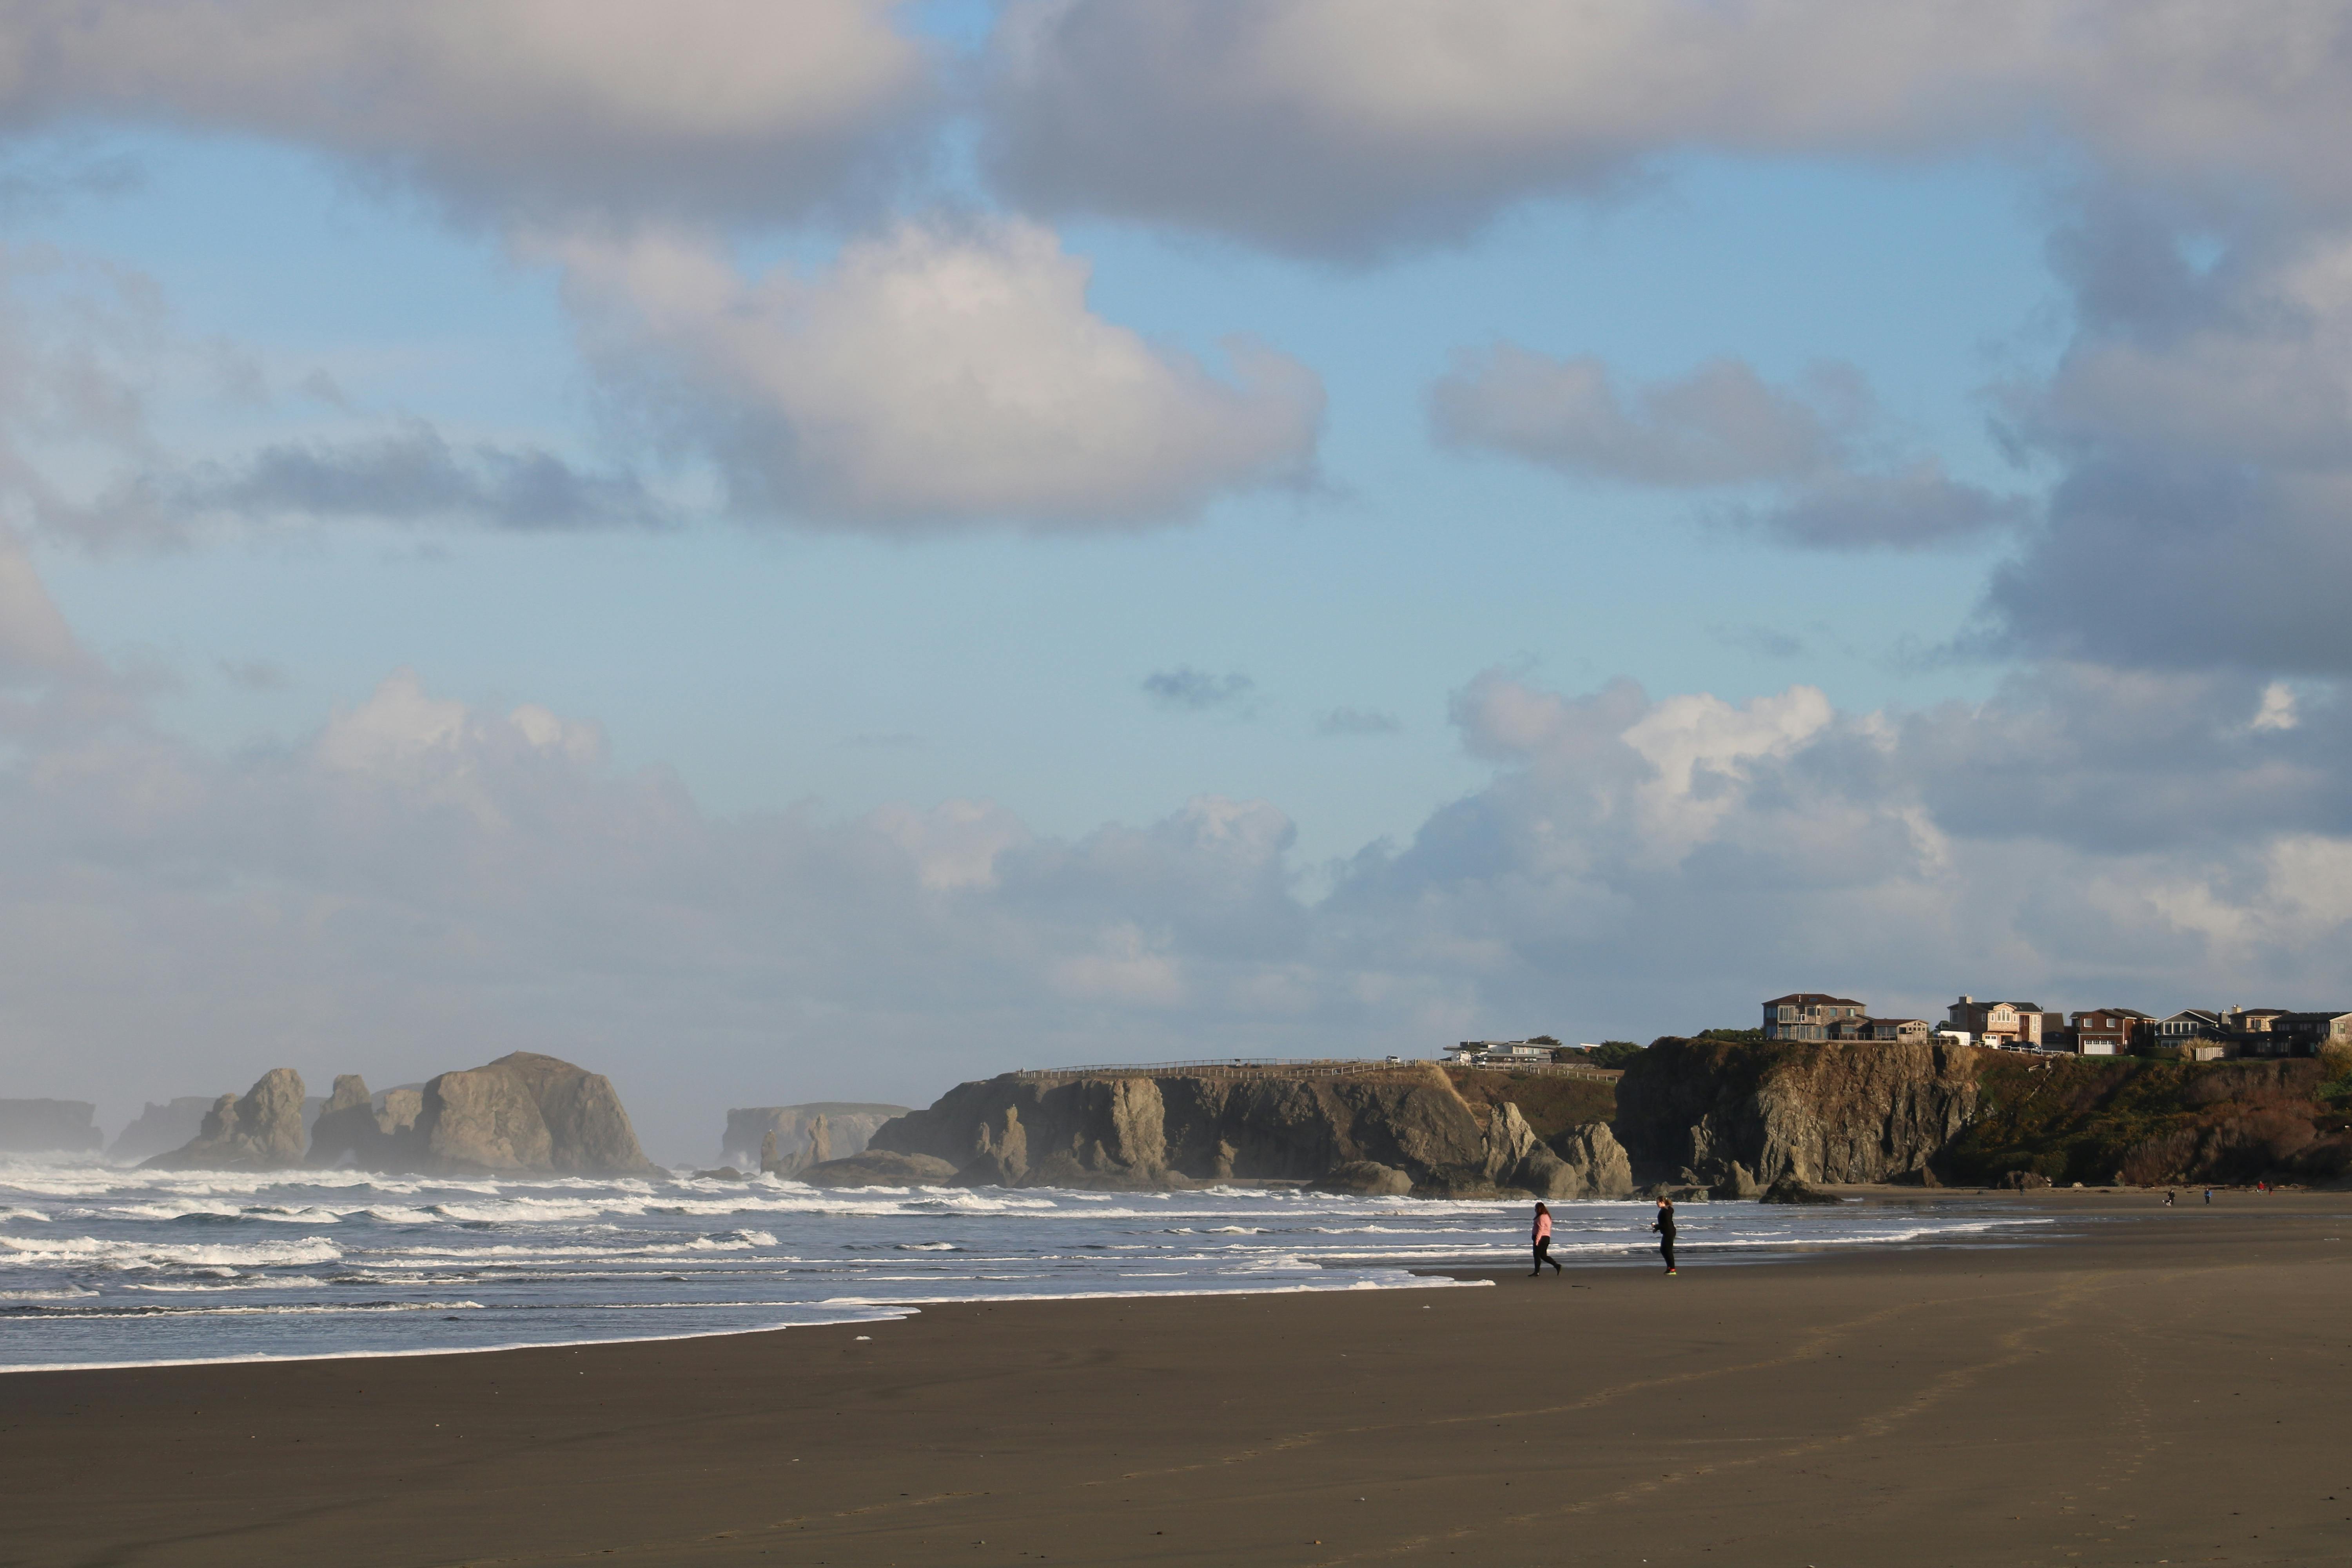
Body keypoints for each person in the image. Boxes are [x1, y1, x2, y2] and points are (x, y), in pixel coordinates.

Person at [1530, 1202, 1563, 1277]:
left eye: (1536, 1208)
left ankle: (1537, 1272)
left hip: (1541, 1238)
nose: (1535, 1210)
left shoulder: (1542, 1217)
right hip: (1546, 1238)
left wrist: (1537, 1240)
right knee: (1543, 1255)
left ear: (1539, 1209)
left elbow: (1541, 1229)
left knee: (1537, 1255)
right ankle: (1557, 1265)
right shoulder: (1547, 1216)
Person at [1651, 1195, 1677, 1275]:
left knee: (1667, 1250)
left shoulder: (1666, 1211)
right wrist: (1657, 1229)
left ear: (1662, 1202)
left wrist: (1655, 1226)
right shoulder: (1665, 1210)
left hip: (1669, 1232)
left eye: (1658, 1202)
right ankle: (1670, 1267)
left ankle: (1672, 1269)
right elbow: (1664, 1223)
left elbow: (1666, 1224)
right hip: (1668, 1232)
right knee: (1664, 1250)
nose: (1657, 1204)